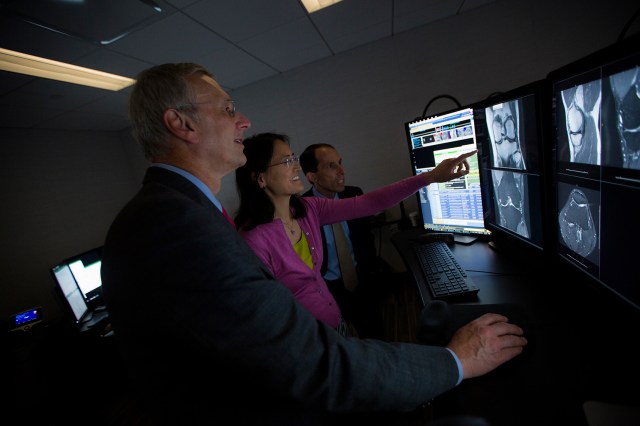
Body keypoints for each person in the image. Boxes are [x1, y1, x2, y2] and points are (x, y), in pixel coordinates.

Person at [101, 62, 527, 425]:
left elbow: (368, 202)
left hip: (327, 340)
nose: (243, 121)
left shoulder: (193, 211)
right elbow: (307, 363)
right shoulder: (180, 225)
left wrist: (432, 176)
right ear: (182, 124)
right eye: (229, 109)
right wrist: (454, 361)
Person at [235, 132, 476, 336]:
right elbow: (262, 314)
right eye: (286, 161)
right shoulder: (252, 240)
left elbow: (369, 203)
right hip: (306, 339)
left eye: (294, 158)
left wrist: (430, 177)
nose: (296, 166)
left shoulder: (307, 209)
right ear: (261, 178)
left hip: (335, 324)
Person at [299, 143, 395, 339]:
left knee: (376, 336)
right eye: (331, 166)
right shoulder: (302, 209)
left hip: (361, 278)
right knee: (341, 342)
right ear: (312, 176)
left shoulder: (353, 194)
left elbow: (365, 236)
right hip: (328, 288)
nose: (342, 171)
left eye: (340, 163)